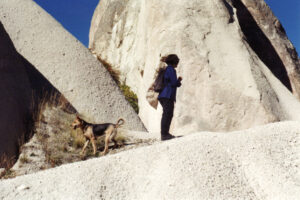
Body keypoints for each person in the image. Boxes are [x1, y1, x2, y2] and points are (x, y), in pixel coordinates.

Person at [158, 54, 182, 141]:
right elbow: (173, 83)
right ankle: (164, 134)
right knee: (167, 114)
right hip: (167, 95)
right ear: (174, 62)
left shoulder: (166, 69)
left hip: (163, 95)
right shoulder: (171, 70)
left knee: (167, 114)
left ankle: (165, 134)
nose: (177, 64)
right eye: (177, 62)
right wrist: (179, 81)